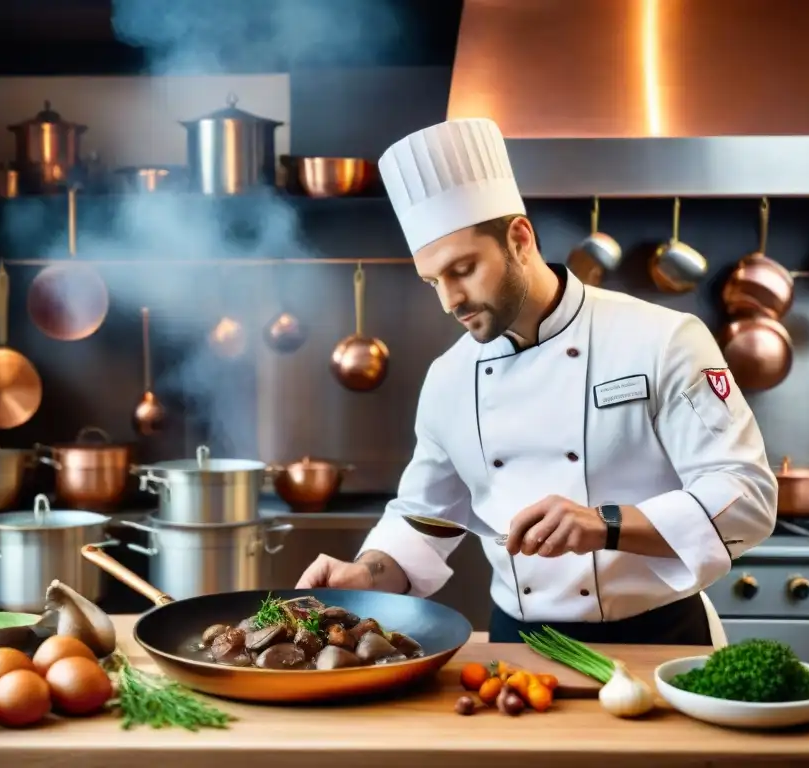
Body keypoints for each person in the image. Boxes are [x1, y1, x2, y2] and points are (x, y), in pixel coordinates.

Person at [295, 118, 778, 645]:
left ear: (520, 240)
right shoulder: (449, 380)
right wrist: (366, 573)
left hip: (660, 641)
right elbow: (422, 521)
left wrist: (605, 523)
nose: (449, 300)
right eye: (433, 280)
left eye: (463, 269)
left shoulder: (662, 339)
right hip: (521, 651)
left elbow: (747, 496)